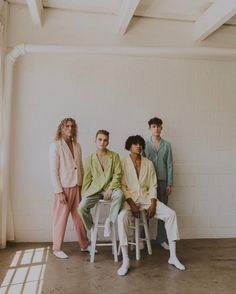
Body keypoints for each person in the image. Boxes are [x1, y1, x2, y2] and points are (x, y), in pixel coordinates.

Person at [117, 135, 185, 276]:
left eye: (140, 144)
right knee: (121, 217)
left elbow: (153, 185)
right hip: (130, 200)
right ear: (129, 146)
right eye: (135, 144)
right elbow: (122, 186)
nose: (138, 146)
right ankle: (125, 261)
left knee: (171, 214)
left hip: (146, 198)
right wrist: (131, 203)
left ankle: (173, 256)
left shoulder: (148, 163)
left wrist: (153, 203)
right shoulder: (122, 163)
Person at [49, 118, 90, 259]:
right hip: (64, 187)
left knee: (80, 218)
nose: (70, 128)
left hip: (77, 185)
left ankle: (85, 245)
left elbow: (81, 167)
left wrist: (83, 186)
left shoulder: (77, 145)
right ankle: (57, 248)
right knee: (60, 218)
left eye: (72, 126)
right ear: (61, 128)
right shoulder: (56, 146)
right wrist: (58, 191)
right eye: (67, 126)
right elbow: (53, 171)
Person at [78, 130, 124, 237]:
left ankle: (110, 221)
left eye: (105, 140)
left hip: (110, 188)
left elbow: (118, 174)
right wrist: (84, 195)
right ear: (95, 140)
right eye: (100, 139)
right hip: (95, 190)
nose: (102, 142)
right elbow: (87, 179)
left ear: (108, 142)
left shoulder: (114, 156)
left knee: (120, 195)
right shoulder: (89, 159)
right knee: (81, 207)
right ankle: (92, 227)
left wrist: (111, 188)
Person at [145, 117, 173, 250]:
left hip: (162, 181)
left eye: (159, 126)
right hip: (148, 183)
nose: (156, 129)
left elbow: (169, 165)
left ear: (162, 128)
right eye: (154, 126)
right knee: (146, 209)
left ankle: (161, 238)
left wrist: (169, 183)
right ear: (150, 128)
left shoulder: (167, 145)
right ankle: (141, 238)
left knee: (163, 211)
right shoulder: (144, 144)